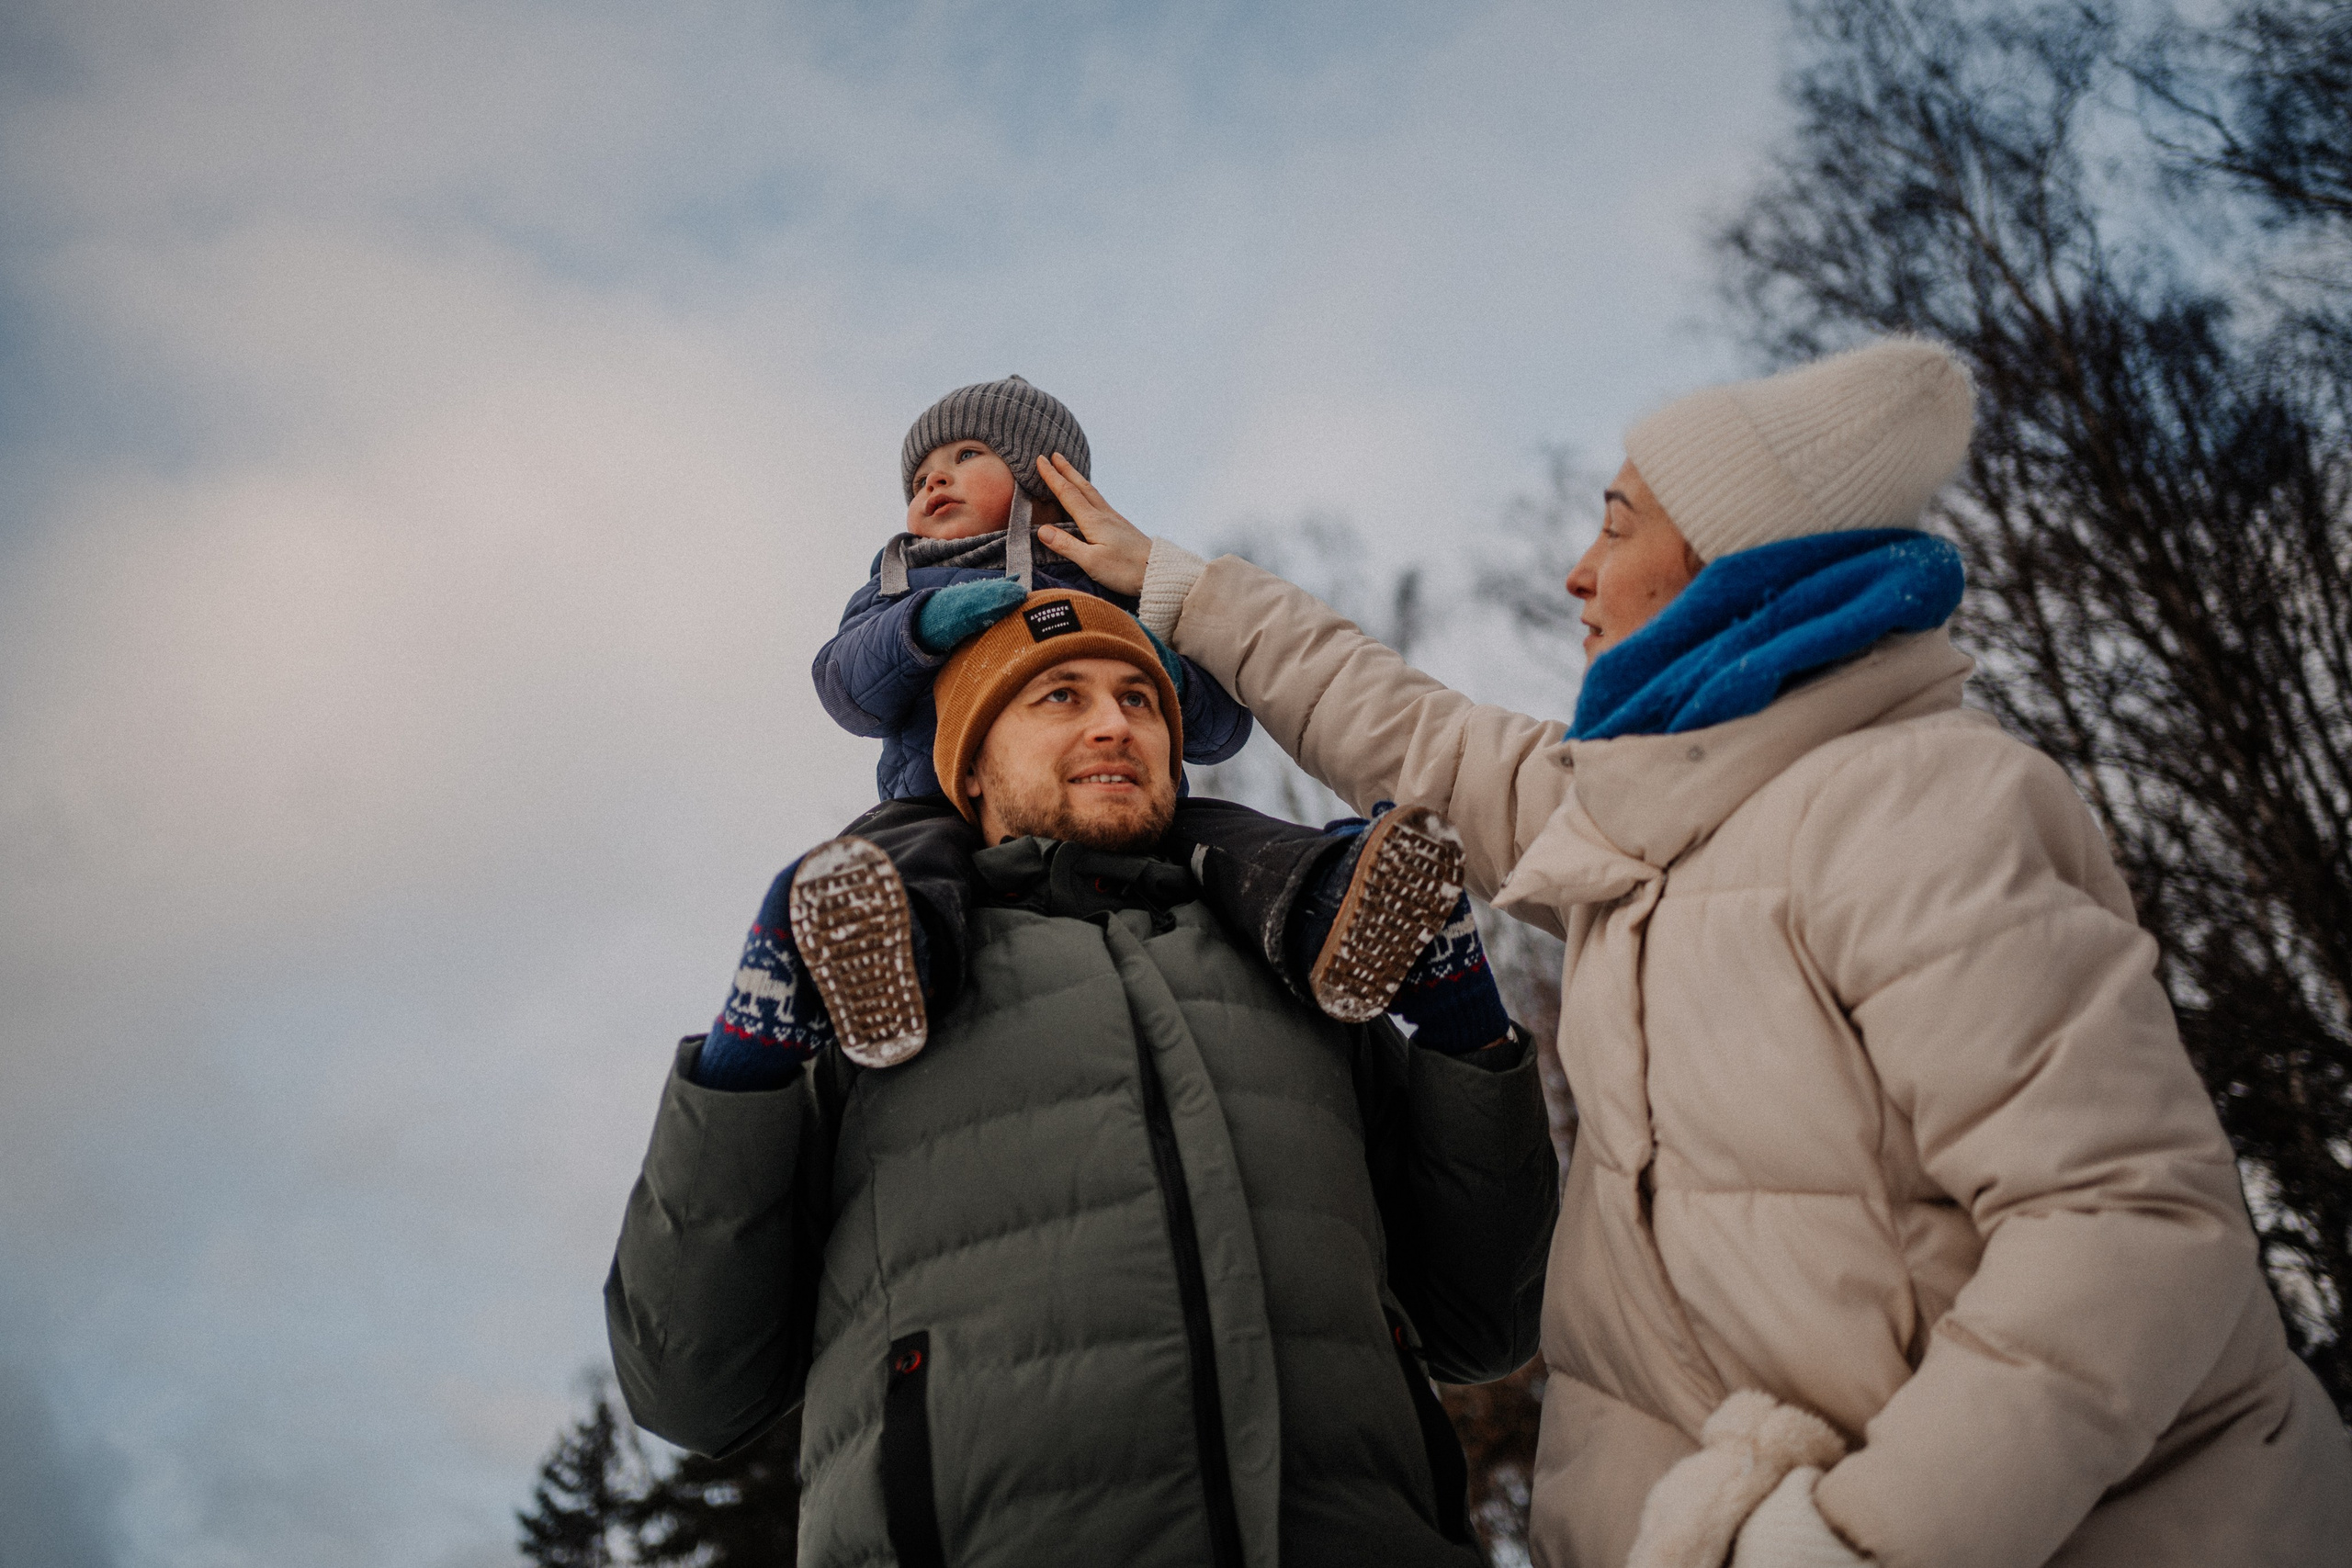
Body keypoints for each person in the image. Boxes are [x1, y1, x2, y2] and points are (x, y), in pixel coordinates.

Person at [1046, 339, 2352, 1567]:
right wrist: (1181, 589)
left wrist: (1862, 1538)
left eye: (1615, 524)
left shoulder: (1920, 803)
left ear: (1733, 563)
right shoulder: (1639, 819)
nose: (1575, 571)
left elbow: (2128, 1227)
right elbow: (1417, 738)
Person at [605, 591, 1558, 1568]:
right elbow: (687, 1383)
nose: (1115, 724)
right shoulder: (872, 1000)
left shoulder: (1299, 984)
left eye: (1141, 703)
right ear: (969, 768)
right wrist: (743, 1067)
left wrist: (1469, 1042)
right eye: (1059, 696)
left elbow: (1484, 1324)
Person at [763, 374, 1507, 1071]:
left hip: (1125, 800)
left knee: (1226, 834)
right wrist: (920, 627)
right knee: (897, 849)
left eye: (965, 455)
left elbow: (1219, 731)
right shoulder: (900, 582)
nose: (934, 479)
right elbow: (845, 687)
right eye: (921, 473)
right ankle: (890, 959)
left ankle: (1333, 907)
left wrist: (1169, 668)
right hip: (940, 795)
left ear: (1043, 481)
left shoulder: (1102, 579)